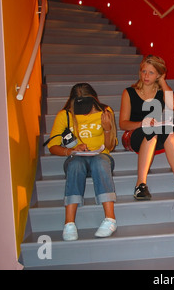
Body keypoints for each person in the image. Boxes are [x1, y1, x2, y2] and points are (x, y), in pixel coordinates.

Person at [47, 83, 118, 241]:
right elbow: (52, 146)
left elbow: (110, 146)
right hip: (77, 158)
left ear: (94, 100)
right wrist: (71, 151)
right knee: (75, 164)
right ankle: (69, 223)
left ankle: (110, 219)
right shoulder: (64, 115)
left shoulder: (105, 112)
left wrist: (107, 129)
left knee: (99, 162)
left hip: (101, 157)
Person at [119, 55, 174, 200]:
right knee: (151, 132)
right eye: (144, 71)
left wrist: (163, 82)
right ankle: (140, 185)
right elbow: (122, 123)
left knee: (169, 132)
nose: (146, 76)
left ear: (158, 74)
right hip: (133, 135)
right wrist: (141, 124)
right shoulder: (129, 92)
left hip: (155, 134)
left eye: (151, 73)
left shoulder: (160, 92)